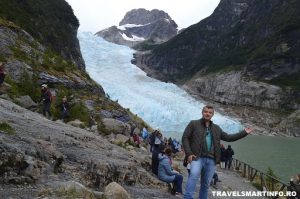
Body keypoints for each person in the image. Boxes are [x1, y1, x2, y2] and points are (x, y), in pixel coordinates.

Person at [182, 105, 254, 199]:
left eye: (210, 112)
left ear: (212, 114)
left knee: (206, 184)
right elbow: (185, 138)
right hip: (197, 157)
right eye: (206, 111)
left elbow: (229, 137)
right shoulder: (193, 124)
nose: (207, 113)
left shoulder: (216, 128)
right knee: (193, 176)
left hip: (211, 160)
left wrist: (244, 133)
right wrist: (189, 153)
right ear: (202, 112)